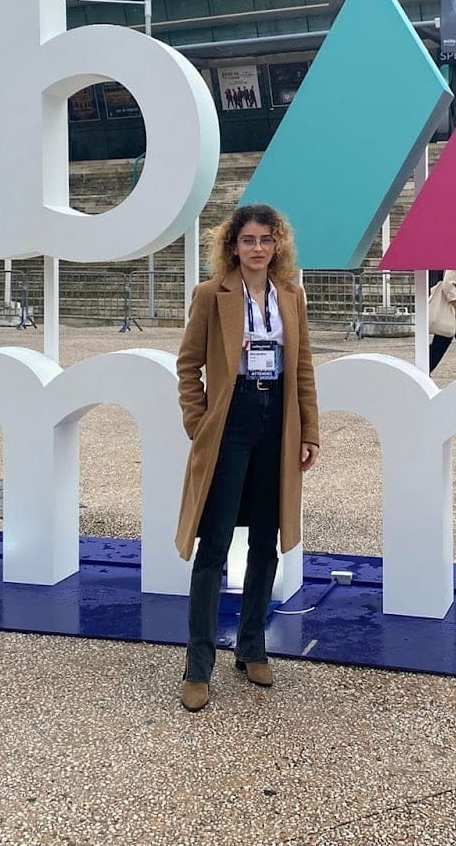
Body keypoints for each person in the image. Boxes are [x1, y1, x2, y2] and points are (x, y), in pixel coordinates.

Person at [175, 203, 321, 713]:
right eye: (248, 240)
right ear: (232, 247)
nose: (257, 248)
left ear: (278, 245)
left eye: (265, 239)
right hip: (231, 418)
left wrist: (309, 431)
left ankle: (252, 646)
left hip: (277, 418)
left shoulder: (292, 296)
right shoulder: (210, 295)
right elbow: (188, 365)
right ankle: (198, 665)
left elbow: (303, 369)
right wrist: (200, 424)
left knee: (266, 538)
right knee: (214, 542)